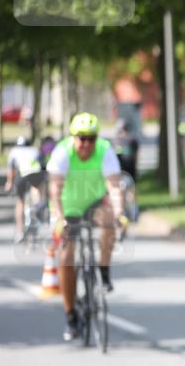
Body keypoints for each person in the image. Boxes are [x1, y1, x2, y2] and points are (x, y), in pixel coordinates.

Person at [48, 112, 128, 341]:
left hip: (93, 203)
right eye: (81, 138)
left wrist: (120, 212)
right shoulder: (62, 153)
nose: (86, 144)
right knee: (66, 257)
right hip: (67, 207)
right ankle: (71, 315)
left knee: (110, 219)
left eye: (91, 138)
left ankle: (103, 270)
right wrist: (60, 218)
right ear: (73, 137)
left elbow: (114, 187)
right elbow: (55, 191)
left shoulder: (105, 151)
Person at [4, 136, 46, 243]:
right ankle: (37, 206)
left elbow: (11, 170)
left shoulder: (14, 151)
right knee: (36, 190)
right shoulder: (35, 150)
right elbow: (43, 166)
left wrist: (9, 183)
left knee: (20, 202)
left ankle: (20, 231)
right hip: (36, 174)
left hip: (22, 176)